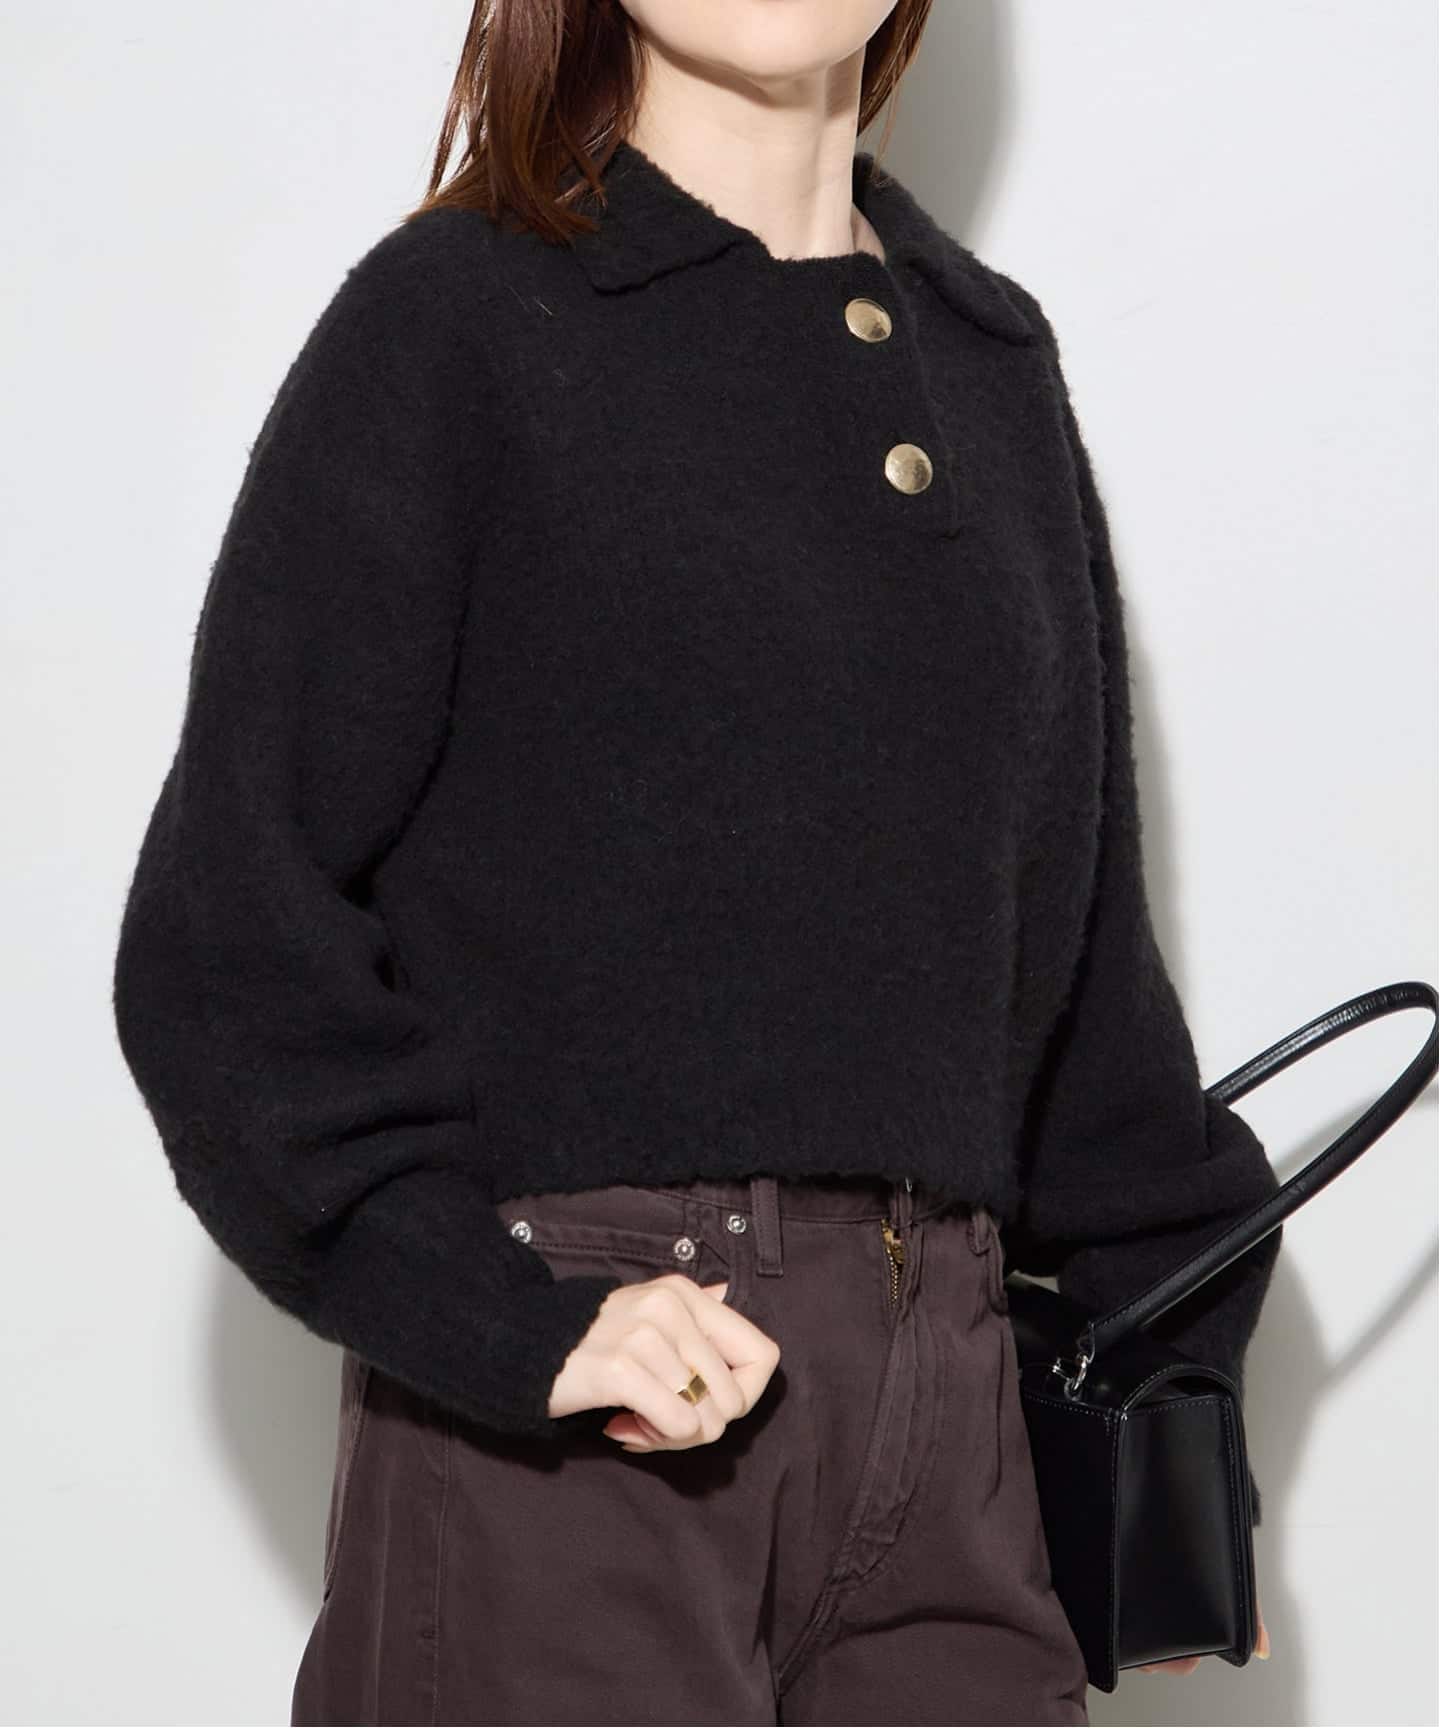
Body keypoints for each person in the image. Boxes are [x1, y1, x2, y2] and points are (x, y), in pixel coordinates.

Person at [111, 2, 1280, 1722]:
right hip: (593, 1428)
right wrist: (509, 1316)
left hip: (956, 1425)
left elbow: (1083, 971)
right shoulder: (459, 319)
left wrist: (1174, 1384)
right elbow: (230, 941)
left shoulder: (987, 359)